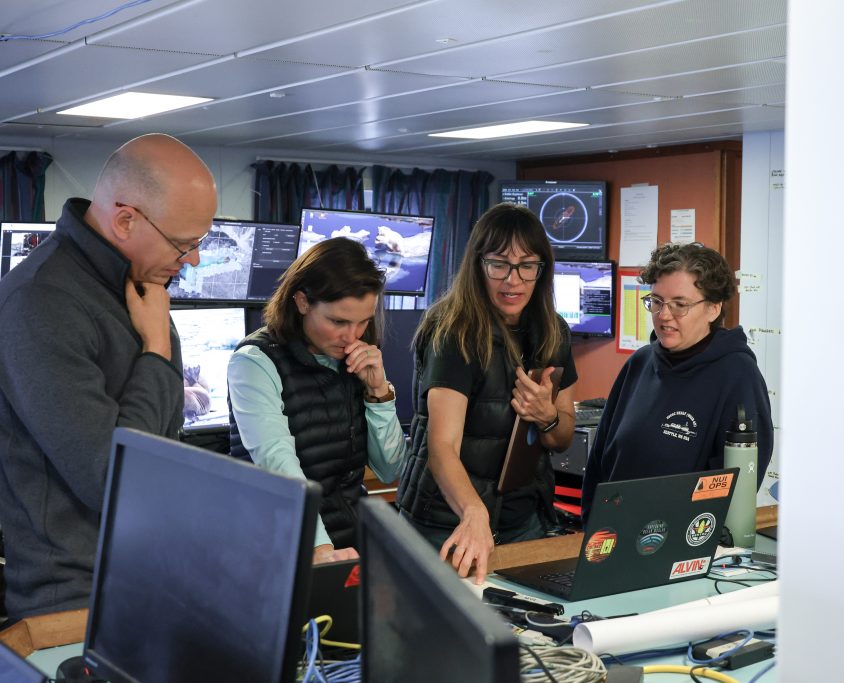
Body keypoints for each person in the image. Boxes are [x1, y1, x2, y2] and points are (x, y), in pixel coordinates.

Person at [0, 134, 217, 620]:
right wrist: (157, 353)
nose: (195, 260)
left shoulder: (136, 284)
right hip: (76, 604)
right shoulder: (40, 302)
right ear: (125, 220)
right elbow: (113, 478)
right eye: (186, 245)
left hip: (147, 575)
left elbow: (163, 442)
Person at [396, 203, 578, 584]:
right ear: (478, 266)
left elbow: (561, 438)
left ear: (541, 270)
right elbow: (441, 447)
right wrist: (473, 513)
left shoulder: (553, 331)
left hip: (522, 518)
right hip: (447, 521)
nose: (513, 280)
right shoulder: (455, 332)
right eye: (499, 264)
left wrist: (547, 416)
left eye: (527, 266)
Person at [227, 237, 406, 564]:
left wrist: (378, 394)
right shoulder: (254, 361)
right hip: (279, 547)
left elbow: (389, 469)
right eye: (338, 321)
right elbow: (275, 459)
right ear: (302, 302)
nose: (352, 336)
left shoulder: (354, 359)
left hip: (348, 543)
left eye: (363, 321)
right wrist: (319, 549)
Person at [581, 242, 773, 519]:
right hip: (610, 540)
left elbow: (736, 490)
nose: (664, 315)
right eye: (656, 301)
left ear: (714, 308)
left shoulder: (738, 376)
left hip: (681, 551)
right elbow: (600, 461)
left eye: (679, 305)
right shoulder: (640, 363)